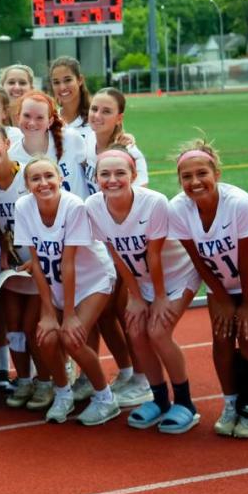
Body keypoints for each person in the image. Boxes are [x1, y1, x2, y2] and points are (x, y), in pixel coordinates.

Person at [167, 139, 248, 439]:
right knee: (221, 336)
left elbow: (246, 259)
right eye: (186, 176)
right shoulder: (178, 209)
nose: (195, 182)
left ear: (216, 173)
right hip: (217, 272)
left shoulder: (240, 203)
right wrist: (221, 296)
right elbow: (197, 260)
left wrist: (246, 305)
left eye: (201, 173)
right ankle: (232, 403)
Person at [85, 148, 202, 434]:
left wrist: (159, 298)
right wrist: (137, 297)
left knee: (158, 333)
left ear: (134, 176)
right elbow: (116, 254)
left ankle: (186, 403)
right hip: (142, 280)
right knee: (136, 332)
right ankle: (159, 399)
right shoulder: (93, 206)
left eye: (120, 173)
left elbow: (154, 255)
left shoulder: (154, 202)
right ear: (96, 177)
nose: (112, 179)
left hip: (176, 275)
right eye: (105, 174)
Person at [13, 157, 120, 426]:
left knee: (72, 338)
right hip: (55, 281)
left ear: (59, 178)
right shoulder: (23, 206)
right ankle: (63, 393)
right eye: (35, 179)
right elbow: (36, 262)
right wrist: (48, 312)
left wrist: (69, 314)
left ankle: (105, 399)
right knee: (47, 338)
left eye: (49, 176)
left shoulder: (73, 206)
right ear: (27, 185)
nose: (43, 183)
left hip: (92, 280)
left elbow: (68, 262)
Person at [0, 122, 51, 410]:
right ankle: (25, 380)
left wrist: (37, 260)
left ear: (7, 143)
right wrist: (4, 248)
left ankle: (46, 380)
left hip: (40, 260)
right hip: (12, 266)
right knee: (14, 328)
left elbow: (49, 215)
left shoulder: (30, 174)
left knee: (32, 328)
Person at [7, 90, 86, 198]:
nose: (32, 123)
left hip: (78, 213)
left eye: (39, 117)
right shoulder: (12, 157)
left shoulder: (70, 138)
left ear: (50, 121)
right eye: (27, 116)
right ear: (17, 118)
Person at [81, 87, 149, 196]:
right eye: (94, 109)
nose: (97, 115)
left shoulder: (131, 153)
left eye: (106, 111)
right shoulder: (89, 139)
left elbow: (141, 197)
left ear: (119, 118)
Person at [49, 56, 91, 130]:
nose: (62, 87)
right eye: (56, 82)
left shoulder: (95, 119)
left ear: (80, 80)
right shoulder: (49, 121)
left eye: (68, 80)